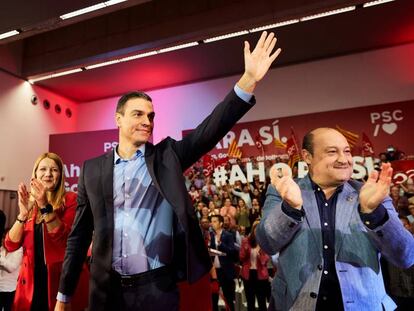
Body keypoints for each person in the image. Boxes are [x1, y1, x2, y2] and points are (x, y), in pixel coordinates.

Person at [55, 31, 281, 311]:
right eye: (138, 114)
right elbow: (78, 237)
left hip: (157, 289)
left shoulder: (167, 156)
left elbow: (209, 131)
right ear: (118, 119)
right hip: (106, 292)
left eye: (151, 116)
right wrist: (63, 296)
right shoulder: (92, 170)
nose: (147, 121)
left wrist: (248, 81)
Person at [256, 127, 414, 311]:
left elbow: (406, 256)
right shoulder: (283, 190)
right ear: (307, 157)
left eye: (346, 151)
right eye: (332, 152)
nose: (343, 159)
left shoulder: (371, 193)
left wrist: (374, 213)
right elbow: (267, 243)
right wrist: (290, 208)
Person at [4, 153, 89, 311]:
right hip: (30, 284)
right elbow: (10, 245)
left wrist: (44, 204)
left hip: (61, 284)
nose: (48, 174)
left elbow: (63, 240)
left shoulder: (71, 200)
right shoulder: (30, 204)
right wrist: (22, 215)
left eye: (54, 170)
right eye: (43, 169)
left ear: (61, 175)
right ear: (35, 174)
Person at [209, 215, 237, 311]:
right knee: (214, 296)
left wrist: (221, 244)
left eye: (215, 221)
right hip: (215, 271)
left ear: (221, 223)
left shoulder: (228, 235)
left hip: (226, 270)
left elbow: (231, 251)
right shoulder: (211, 235)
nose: (212, 223)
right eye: (212, 221)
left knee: (228, 296)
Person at [239, 221, 269, 311]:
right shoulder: (246, 241)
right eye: (257, 229)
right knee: (250, 301)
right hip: (248, 275)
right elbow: (241, 257)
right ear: (253, 230)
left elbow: (265, 261)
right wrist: (246, 248)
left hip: (261, 275)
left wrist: (260, 254)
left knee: (261, 301)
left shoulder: (265, 242)